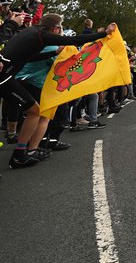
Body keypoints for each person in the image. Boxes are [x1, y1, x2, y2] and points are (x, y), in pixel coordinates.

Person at [0, 13, 116, 169]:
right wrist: (104, 33)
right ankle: (20, 155)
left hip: (8, 76)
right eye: (60, 28)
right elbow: (71, 40)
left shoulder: (33, 32)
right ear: (55, 29)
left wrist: (54, 53)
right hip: (4, 77)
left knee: (34, 111)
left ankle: (22, 152)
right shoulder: (43, 36)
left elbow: (30, 57)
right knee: (35, 111)